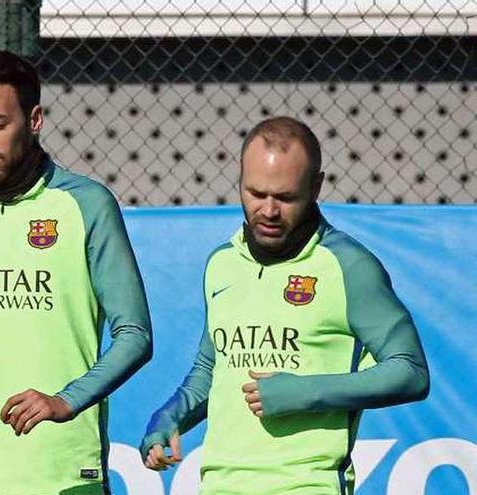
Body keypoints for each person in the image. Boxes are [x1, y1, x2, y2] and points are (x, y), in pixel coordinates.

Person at [140, 116, 430, 494]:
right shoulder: (222, 263)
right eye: (256, 194)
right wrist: (169, 418)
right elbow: (213, 368)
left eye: (285, 197)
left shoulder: (348, 266)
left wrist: (304, 392)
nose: (269, 211)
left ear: (316, 187)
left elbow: (410, 372)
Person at [0, 50, 153, 495]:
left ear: (35, 119)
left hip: (62, 473)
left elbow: (135, 334)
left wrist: (65, 401)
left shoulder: (86, 205)